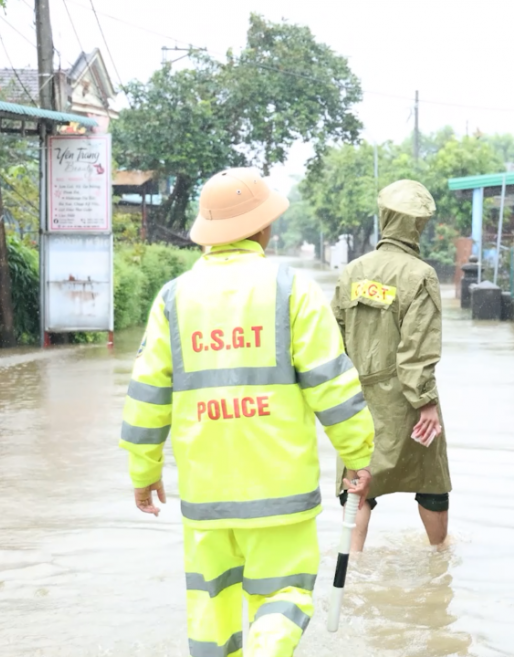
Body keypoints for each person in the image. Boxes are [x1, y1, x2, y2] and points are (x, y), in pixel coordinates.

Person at [120, 167, 375, 657]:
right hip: (281, 491)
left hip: (205, 494)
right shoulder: (292, 289)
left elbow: (146, 395)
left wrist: (143, 471)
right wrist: (358, 456)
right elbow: (333, 385)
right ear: (263, 228)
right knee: (285, 595)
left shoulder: (173, 298)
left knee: (210, 609)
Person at [332, 180, 451, 552]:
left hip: (357, 399)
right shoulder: (420, 275)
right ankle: (439, 558)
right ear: (419, 225)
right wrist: (425, 402)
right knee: (431, 482)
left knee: (357, 485)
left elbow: (333, 339)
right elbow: (417, 348)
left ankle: (353, 566)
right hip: (406, 401)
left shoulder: (351, 273)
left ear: (384, 218)